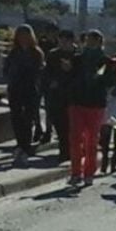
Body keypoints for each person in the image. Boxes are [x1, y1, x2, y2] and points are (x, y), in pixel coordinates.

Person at [64, 29, 113, 187]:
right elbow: (69, 78)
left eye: (94, 40)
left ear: (100, 42)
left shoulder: (105, 61)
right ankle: (75, 172)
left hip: (96, 104)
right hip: (77, 102)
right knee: (75, 139)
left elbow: (107, 80)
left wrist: (99, 75)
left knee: (91, 140)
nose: (90, 43)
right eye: (88, 40)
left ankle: (89, 172)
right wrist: (68, 70)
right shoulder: (77, 59)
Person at [3, 24, 45, 168]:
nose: (23, 38)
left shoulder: (36, 52)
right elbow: (6, 69)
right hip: (15, 89)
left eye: (26, 35)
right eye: (20, 35)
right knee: (16, 117)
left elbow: (39, 71)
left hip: (30, 89)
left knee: (28, 118)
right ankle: (20, 143)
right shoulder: (14, 52)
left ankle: (25, 146)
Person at [43, 30, 78, 162]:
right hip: (57, 95)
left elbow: (81, 74)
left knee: (72, 126)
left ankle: (70, 150)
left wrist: (70, 69)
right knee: (60, 124)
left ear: (71, 41)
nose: (63, 43)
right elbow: (46, 73)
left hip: (73, 96)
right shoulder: (53, 55)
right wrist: (51, 82)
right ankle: (64, 150)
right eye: (61, 41)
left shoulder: (78, 55)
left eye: (66, 41)